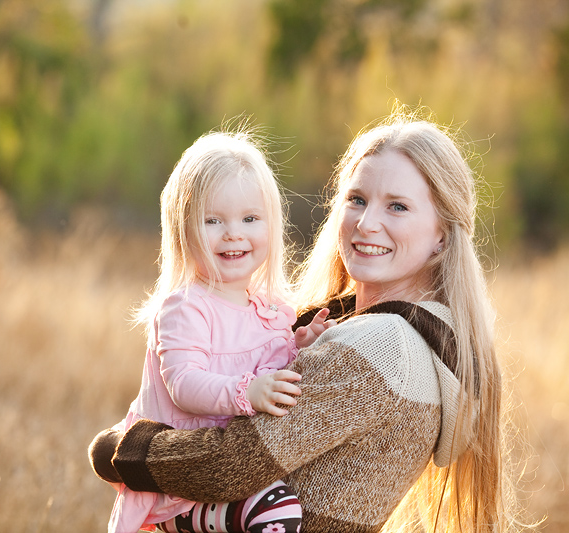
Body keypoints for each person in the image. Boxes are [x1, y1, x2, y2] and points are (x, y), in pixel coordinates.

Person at [90, 110, 515, 532]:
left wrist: (117, 448)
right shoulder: (390, 331)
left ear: (442, 233)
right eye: (357, 200)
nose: (367, 224)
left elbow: (227, 465)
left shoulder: (382, 347)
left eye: (398, 207)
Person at [95, 128, 334, 533]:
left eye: (250, 218)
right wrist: (248, 393)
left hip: (236, 470)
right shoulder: (186, 307)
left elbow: (266, 369)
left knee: (292, 503)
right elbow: (185, 385)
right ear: (182, 228)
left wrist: (297, 346)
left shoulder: (273, 310)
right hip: (182, 484)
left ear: (271, 225)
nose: (233, 233)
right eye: (213, 220)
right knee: (278, 511)